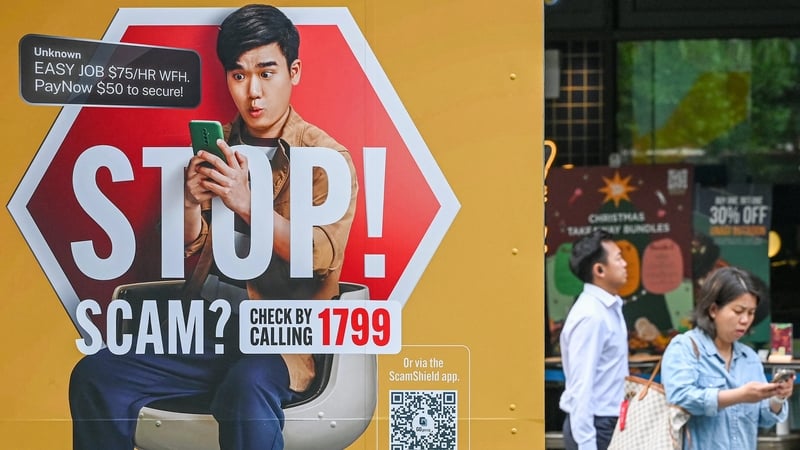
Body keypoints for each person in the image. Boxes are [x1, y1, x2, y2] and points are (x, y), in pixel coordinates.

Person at [69, 4, 358, 450]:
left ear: (294, 72)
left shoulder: (325, 159)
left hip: (280, 340)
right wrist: (188, 202)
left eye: (267, 72)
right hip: (210, 331)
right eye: (239, 76)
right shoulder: (220, 146)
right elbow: (194, 247)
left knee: (245, 388)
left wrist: (247, 203)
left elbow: (319, 257)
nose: (253, 92)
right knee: (95, 375)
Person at [662, 266, 794, 449]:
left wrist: (778, 397)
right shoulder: (685, 346)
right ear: (713, 310)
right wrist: (739, 395)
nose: (745, 320)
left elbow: (765, 419)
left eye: (751, 313)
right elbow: (680, 397)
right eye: (738, 311)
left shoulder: (749, 357)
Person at [559, 229, 630, 450]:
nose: (625, 264)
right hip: (594, 426)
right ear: (599, 270)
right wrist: (587, 443)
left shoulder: (608, 307)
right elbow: (582, 384)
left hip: (609, 420)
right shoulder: (591, 315)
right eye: (618, 258)